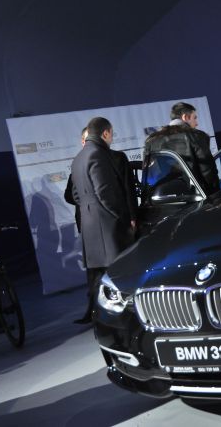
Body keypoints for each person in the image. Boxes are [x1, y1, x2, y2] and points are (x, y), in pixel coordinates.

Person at [70, 118, 137, 324]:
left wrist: (91, 210)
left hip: (89, 226)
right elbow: (105, 194)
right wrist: (124, 218)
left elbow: (76, 195)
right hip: (108, 226)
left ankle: (102, 317)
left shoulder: (78, 158)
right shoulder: (98, 154)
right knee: (120, 274)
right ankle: (126, 318)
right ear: (105, 133)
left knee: (99, 277)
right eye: (111, 134)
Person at [144, 102, 220, 195]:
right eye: (194, 118)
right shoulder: (197, 136)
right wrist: (215, 195)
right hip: (195, 197)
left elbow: (148, 174)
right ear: (185, 117)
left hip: (162, 198)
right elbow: (208, 172)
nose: (196, 123)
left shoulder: (151, 141)